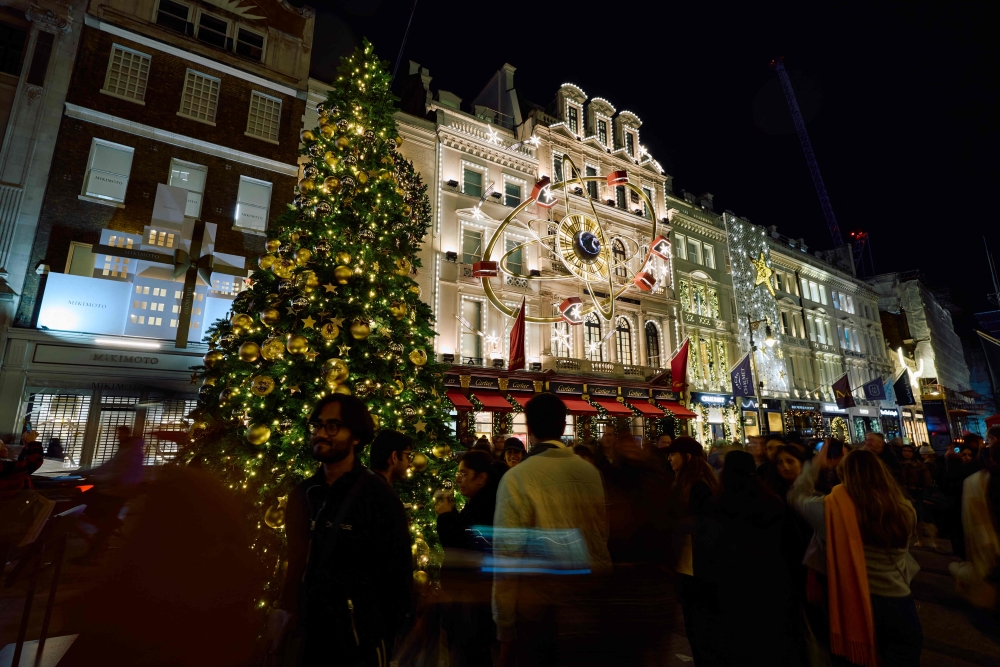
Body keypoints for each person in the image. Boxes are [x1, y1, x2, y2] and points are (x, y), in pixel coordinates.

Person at [276, 395, 412, 667]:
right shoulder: (303, 494)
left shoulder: (378, 497)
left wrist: (378, 632)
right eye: (317, 425)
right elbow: (296, 561)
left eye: (333, 426)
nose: (320, 434)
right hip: (308, 637)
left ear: (357, 437)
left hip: (357, 641)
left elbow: (399, 573)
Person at [492, 392, 612, 667]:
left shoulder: (518, 477)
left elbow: (507, 556)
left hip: (540, 611)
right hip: (588, 600)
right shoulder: (589, 472)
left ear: (529, 428)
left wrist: (504, 626)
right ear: (563, 426)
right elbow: (601, 533)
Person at [789, 442, 922, 667]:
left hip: (854, 602)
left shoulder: (829, 510)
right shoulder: (905, 508)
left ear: (843, 475)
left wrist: (815, 465)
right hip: (899, 601)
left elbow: (796, 496)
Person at [706, 450, 803, 666]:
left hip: (734, 586)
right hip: (772, 582)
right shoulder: (773, 502)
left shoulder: (716, 505)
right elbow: (790, 545)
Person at [436, 450, 500, 666]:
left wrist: (445, 516)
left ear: (481, 478)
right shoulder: (479, 502)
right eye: (457, 473)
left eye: (464, 473)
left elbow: (460, 544)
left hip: (471, 602)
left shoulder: (484, 506)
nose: (457, 478)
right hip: (469, 600)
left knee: (471, 654)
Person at [665, 436, 723, 665]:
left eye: (673, 454)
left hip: (696, 567)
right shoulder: (690, 483)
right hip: (691, 565)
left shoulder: (697, 486)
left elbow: (703, 524)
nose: (669, 458)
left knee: (699, 629)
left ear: (687, 457)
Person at [73, 426, 145, 564]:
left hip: (117, 492)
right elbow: (108, 466)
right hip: (115, 490)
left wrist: (93, 478)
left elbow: (119, 475)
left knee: (88, 505)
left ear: (126, 434)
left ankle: (94, 552)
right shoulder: (124, 450)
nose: (117, 436)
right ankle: (97, 545)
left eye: (120, 433)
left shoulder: (131, 452)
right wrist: (85, 473)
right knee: (102, 519)